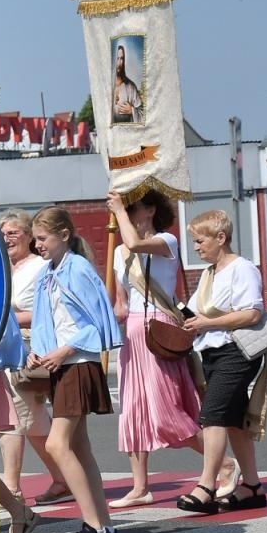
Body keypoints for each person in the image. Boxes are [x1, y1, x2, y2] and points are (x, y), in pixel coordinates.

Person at [26, 208, 126, 533]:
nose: (37, 245)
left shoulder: (78, 268)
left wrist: (64, 349)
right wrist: (39, 353)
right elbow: (48, 322)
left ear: (64, 235)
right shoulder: (50, 272)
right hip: (64, 366)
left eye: (42, 238)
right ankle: (103, 526)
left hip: (78, 365)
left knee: (57, 445)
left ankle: (97, 528)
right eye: (35, 239)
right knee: (80, 450)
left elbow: (97, 321)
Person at [107, 190, 208, 507]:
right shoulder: (119, 252)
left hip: (158, 325)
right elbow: (121, 300)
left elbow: (136, 244)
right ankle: (140, 487)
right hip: (133, 331)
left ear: (150, 210)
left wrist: (118, 210)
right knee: (133, 409)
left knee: (166, 412)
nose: (126, 213)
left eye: (132, 208)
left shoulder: (168, 241)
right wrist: (117, 308)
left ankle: (223, 463)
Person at [177, 212, 267, 515]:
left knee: (212, 416)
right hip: (213, 352)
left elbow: (252, 313)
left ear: (221, 238)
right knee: (233, 420)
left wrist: (207, 322)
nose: (196, 247)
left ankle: (207, 486)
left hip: (237, 350)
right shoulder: (209, 272)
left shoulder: (241, 268)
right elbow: (195, 314)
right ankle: (252, 486)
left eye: (200, 240)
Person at [0, 211, 69, 506]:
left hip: (28, 349)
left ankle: (12, 488)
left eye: (13, 232)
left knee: (17, 419)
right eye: (3, 233)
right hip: (5, 352)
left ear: (29, 236)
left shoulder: (40, 267)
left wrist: (7, 319)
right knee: (30, 420)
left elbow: (48, 309)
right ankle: (64, 478)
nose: (7, 238)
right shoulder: (2, 268)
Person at [112, 43, 142, 124]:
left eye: (121, 59)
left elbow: (143, 113)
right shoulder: (107, 86)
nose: (119, 63)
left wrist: (132, 110)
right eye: (117, 58)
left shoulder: (130, 87)